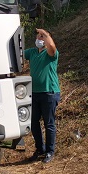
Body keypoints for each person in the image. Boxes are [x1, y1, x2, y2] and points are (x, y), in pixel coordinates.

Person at [24, 28, 60, 163]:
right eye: (38, 36)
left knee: (49, 123)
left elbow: (52, 46)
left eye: (42, 37)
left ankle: (50, 152)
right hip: (34, 93)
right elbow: (18, 52)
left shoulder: (50, 53)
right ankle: (40, 149)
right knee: (33, 122)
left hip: (49, 92)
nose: (39, 38)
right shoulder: (32, 52)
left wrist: (45, 33)